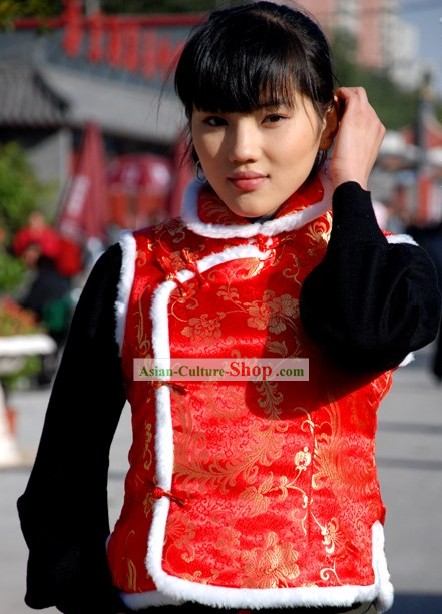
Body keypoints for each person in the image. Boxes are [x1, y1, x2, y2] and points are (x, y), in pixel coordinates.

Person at [17, 3, 441, 614]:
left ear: (328, 123)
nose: (243, 148)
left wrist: (350, 183)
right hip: (164, 596)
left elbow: (361, 334)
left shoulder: (390, 265)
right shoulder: (134, 267)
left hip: (329, 597)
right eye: (215, 119)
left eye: (273, 117)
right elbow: (66, 465)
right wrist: (89, 598)